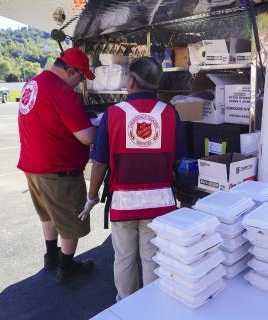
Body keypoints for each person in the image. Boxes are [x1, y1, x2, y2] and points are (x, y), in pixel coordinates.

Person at [79, 57, 184, 300]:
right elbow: (178, 158)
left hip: (124, 203)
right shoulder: (170, 113)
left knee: (124, 258)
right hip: (160, 202)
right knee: (152, 256)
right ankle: (152, 306)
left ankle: (126, 306)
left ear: (131, 82)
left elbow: (100, 163)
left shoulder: (113, 114)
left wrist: (92, 196)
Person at [17, 47, 96, 284]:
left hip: (33, 166)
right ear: (70, 70)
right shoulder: (62, 92)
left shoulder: (33, 83)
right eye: (81, 77)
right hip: (59, 171)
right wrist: (103, 126)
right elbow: (87, 137)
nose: (80, 82)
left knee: (47, 215)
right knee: (71, 222)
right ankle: (67, 268)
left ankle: (51, 258)